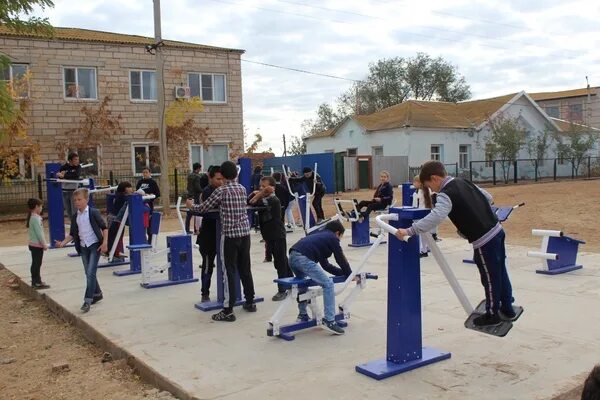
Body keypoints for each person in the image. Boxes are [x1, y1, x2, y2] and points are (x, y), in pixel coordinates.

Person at [395, 161, 515, 327]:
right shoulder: (463, 181)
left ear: (435, 178)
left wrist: (410, 230)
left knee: (489, 277)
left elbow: (437, 216)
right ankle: (508, 308)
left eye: (429, 185)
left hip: (484, 238)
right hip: (497, 230)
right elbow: (488, 197)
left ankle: (492, 314)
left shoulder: (446, 194)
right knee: (500, 270)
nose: (431, 190)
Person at [186, 161, 256, 322]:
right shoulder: (242, 188)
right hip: (245, 234)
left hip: (230, 235)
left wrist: (191, 205)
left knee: (228, 271)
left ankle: (228, 310)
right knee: (245, 268)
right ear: (236, 174)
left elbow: (203, 208)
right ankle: (250, 301)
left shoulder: (221, 191)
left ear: (223, 176)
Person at [288, 220, 352, 335]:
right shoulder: (332, 238)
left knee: (303, 284)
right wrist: (350, 274)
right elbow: (340, 258)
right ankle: (329, 320)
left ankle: (303, 315)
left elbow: (326, 265)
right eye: (341, 236)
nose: (339, 240)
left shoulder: (319, 237)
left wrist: (343, 273)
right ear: (337, 233)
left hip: (292, 256)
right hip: (303, 259)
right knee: (328, 284)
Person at [55, 188, 108, 313]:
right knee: (89, 273)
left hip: (95, 246)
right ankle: (98, 293)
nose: (77, 202)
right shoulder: (75, 217)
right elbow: (73, 234)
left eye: (79, 199)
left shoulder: (93, 212)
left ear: (87, 200)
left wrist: (105, 243)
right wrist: (62, 243)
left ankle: (87, 300)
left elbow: (104, 227)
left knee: (90, 273)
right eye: (75, 200)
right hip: (84, 248)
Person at [249, 176, 294, 301]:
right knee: (282, 260)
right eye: (260, 186)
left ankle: (282, 289)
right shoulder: (263, 198)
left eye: (264, 187)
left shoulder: (273, 200)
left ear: (272, 188)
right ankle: (293, 281)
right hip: (269, 235)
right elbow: (250, 201)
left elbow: (253, 201)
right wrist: (256, 193)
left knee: (280, 262)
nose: (261, 189)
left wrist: (259, 194)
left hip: (277, 235)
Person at [196, 165, 223, 302]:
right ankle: (205, 293)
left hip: (223, 234)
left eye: (222, 179)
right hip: (208, 235)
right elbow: (209, 211)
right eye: (218, 179)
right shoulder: (207, 192)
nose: (221, 182)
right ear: (210, 178)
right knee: (207, 264)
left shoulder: (224, 190)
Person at [106, 181, 134, 260]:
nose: (130, 189)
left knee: (113, 236)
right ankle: (113, 253)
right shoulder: (123, 197)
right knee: (116, 236)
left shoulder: (118, 195)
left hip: (112, 217)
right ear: (124, 189)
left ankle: (112, 252)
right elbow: (131, 199)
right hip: (116, 219)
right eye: (128, 187)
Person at [27, 198, 50, 289]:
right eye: (41, 206)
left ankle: (36, 281)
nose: (41, 208)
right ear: (36, 207)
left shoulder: (33, 217)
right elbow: (39, 233)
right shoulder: (35, 218)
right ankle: (36, 282)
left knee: (36, 263)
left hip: (33, 245)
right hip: (37, 245)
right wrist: (44, 244)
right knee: (36, 264)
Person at [136, 167, 160, 244]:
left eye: (146, 172)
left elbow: (157, 193)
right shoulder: (140, 182)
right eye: (143, 172)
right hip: (140, 204)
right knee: (141, 223)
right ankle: (143, 240)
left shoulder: (152, 182)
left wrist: (151, 195)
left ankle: (150, 240)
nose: (145, 174)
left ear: (150, 173)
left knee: (149, 222)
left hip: (148, 205)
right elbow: (137, 191)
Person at [56, 152, 81, 219]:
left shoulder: (78, 167)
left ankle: (76, 227)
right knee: (68, 212)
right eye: (75, 159)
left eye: (77, 159)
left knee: (74, 212)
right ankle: (73, 226)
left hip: (74, 192)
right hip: (64, 192)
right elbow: (60, 176)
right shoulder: (64, 167)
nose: (77, 161)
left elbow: (76, 175)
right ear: (70, 160)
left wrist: (65, 175)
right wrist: (60, 175)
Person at [185, 162, 205, 234]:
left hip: (190, 195)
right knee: (197, 212)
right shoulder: (197, 176)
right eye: (200, 168)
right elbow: (197, 187)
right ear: (198, 168)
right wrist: (203, 191)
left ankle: (186, 229)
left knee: (189, 214)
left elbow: (188, 186)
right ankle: (196, 229)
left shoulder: (189, 176)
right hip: (196, 196)